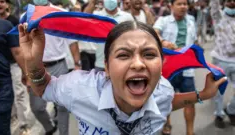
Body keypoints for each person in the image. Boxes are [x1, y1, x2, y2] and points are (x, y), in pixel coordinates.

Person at [18, 20, 226, 135]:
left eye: (149, 54)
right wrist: (33, 62)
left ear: (161, 64)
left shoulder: (163, 89)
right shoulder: (79, 87)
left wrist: (203, 94)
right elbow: (43, 88)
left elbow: (166, 102)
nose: (137, 64)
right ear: (107, 67)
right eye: (124, 55)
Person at [27, 1, 81, 135]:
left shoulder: (60, 13)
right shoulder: (27, 15)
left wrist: (77, 64)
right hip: (37, 69)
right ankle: (49, 128)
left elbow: (72, 41)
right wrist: (26, 73)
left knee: (62, 107)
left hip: (59, 66)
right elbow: (24, 47)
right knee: (37, 107)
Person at [153, 0, 198, 135]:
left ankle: (190, 132)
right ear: (171, 6)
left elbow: (193, 40)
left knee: (190, 101)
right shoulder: (164, 20)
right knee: (166, 99)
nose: (183, 6)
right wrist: (163, 42)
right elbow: (154, 32)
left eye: (185, 4)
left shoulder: (191, 20)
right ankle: (167, 124)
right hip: (168, 69)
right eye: (179, 3)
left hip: (187, 69)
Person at [0, 0, 30, 134]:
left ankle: (23, 124)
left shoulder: (11, 22)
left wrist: (26, 73)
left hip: (12, 66)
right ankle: (12, 116)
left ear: (7, 5)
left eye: (2, 1)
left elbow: (18, 49)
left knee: (19, 94)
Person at [84, 0, 134, 71]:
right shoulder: (97, 16)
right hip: (101, 63)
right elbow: (84, 20)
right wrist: (92, 2)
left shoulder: (127, 17)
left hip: (122, 62)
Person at [209, 0, 235, 129]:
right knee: (220, 90)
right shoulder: (218, 16)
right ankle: (219, 115)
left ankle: (231, 110)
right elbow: (214, 5)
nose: (232, 3)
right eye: (229, 0)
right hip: (221, 60)